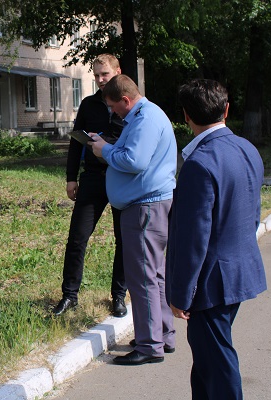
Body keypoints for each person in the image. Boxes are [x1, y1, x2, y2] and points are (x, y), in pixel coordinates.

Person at [166, 79, 266, 398]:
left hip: (210, 284)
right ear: (226, 109)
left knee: (218, 364)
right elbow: (252, 214)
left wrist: (181, 294)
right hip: (237, 271)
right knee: (207, 362)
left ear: (186, 116)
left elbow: (193, 240)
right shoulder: (247, 149)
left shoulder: (199, 163)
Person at [90, 74, 177, 365]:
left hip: (144, 208)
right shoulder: (145, 115)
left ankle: (150, 345)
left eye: (114, 106)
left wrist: (104, 150)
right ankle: (161, 335)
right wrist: (108, 146)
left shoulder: (145, 118)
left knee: (142, 278)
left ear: (126, 100)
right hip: (149, 205)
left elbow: (134, 161)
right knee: (155, 275)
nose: (113, 112)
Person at [52, 54, 128, 318]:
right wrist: (71, 177)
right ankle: (69, 296)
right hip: (93, 178)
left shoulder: (129, 104)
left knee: (123, 239)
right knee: (77, 237)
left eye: (105, 74)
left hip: (121, 178)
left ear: (117, 71)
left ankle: (119, 296)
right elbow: (76, 142)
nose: (100, 79)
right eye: (96, 75)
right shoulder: (89, 104)